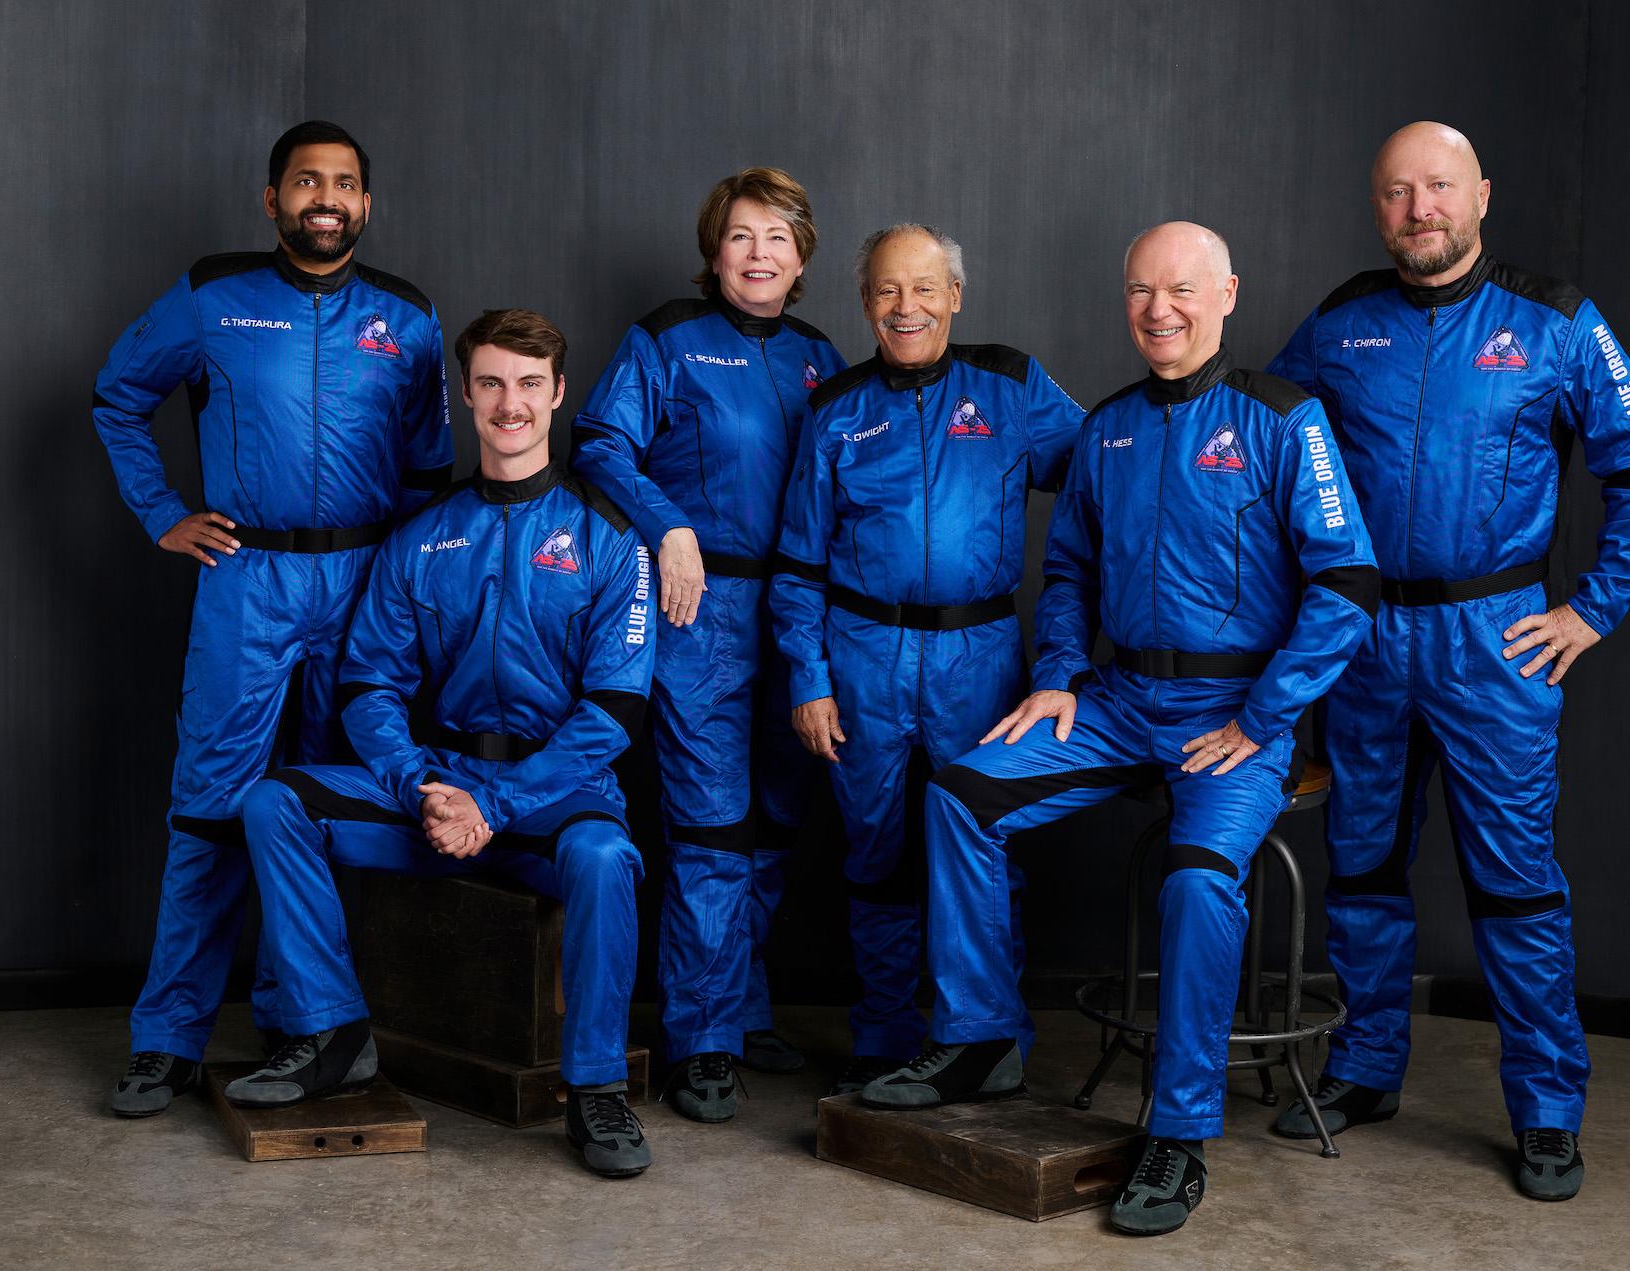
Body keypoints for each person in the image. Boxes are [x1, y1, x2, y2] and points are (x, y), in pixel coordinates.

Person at [860, 223, 1376, 1237]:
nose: (1158, 310)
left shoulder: (1282, 417)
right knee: (959, 795)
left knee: (1192, 875)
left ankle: (1176, 1132)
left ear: (1225, 294)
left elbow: (1345, 582)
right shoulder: (1107, 427)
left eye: (1179, 290)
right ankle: (978, 1037)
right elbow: (1067, 574)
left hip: (1232, 714)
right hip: (1117, 701)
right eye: (1139, 291)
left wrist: (1265, 713)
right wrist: (1058, 674)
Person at [1266, 121, 1630, 1201]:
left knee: (1513, 887)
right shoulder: (1339, 324)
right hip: (1363, 645)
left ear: (1480, 194)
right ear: (1376, 208)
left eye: (1438, 187)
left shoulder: (1553, 321)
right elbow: (1263, 460)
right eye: (1398, 193)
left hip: (1493, 644)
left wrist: (1591, 609)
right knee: (1360, 866)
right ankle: (1363, 1064)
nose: (1420, 210)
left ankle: (1545, 1107)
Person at [226, 309, 657, 1178]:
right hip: (438, 788)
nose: (511, 403)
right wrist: (425, 785)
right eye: (492, 383)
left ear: (558, 394)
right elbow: (368, 687)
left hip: (549, 801)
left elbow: (614, 713)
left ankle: (598, 1092)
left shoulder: (613, 542)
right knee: (276, 801)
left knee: (608, 858)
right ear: (466, 395)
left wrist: (497, 804)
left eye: (530, 384)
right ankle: (332, 1032)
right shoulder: (421, 536)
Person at [93, 121, 452, 1117]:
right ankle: (168, 1036)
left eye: (342, 183)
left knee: (325, 807)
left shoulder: (408, 319)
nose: (324, 198)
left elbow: (428, 477)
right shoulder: (214, 296)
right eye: (305, 181)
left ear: (366, 204)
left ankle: (305, 1023)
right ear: (272, 199)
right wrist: (164, 515)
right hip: (245, 578)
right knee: (211, 804)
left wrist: (409, 602)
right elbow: (118, 396)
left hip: (362, 584)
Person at [772, 224, 1086, 1095]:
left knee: (982, 844)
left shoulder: (1013, 385)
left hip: (980, 654)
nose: (904, 309)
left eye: (922, 289)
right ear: (864, 301)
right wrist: (809, 677)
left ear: (956, 295)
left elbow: (1112, 476)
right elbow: (798, 564)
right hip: (861, 653)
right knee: (874, 851)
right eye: (883, 292)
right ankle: (883, 1034)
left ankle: (993, 1038)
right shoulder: (835, 409)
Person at [572, 169, 845, 1120]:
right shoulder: (666, 340)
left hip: (802, 611)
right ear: (712, 249)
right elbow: (601, 441)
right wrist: (669, 526)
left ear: (803, 254)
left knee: (773, 827)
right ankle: (700, 1039)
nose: (759, 253)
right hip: (704, 612)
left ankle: (740, 1002)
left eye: (778, 237)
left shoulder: (821, 355)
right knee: (712, 829)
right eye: (740, 236)